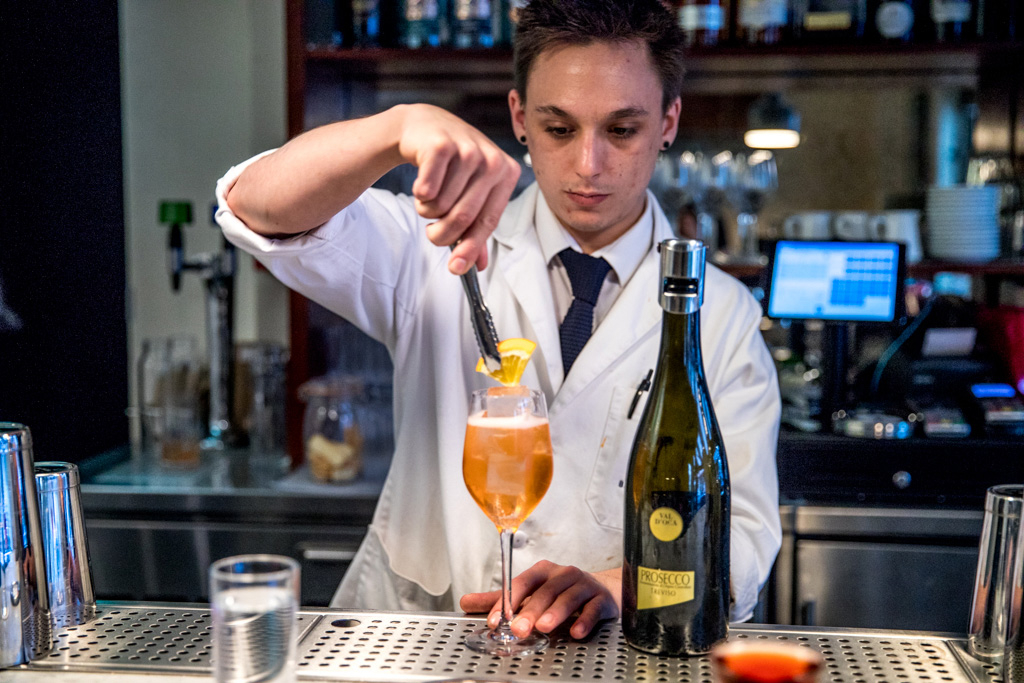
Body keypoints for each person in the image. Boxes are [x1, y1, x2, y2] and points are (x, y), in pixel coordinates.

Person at [215, 0, 781, 641]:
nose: (589, 164)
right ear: (519, 117)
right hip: (420, 642)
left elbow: (747, 535)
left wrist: (619, 585)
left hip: (610, 653)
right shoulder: (433, 247)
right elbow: (254, 209)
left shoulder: (723, 315)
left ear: (668, 122)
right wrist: (398, 127)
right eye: (559, 128)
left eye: (622, 130)